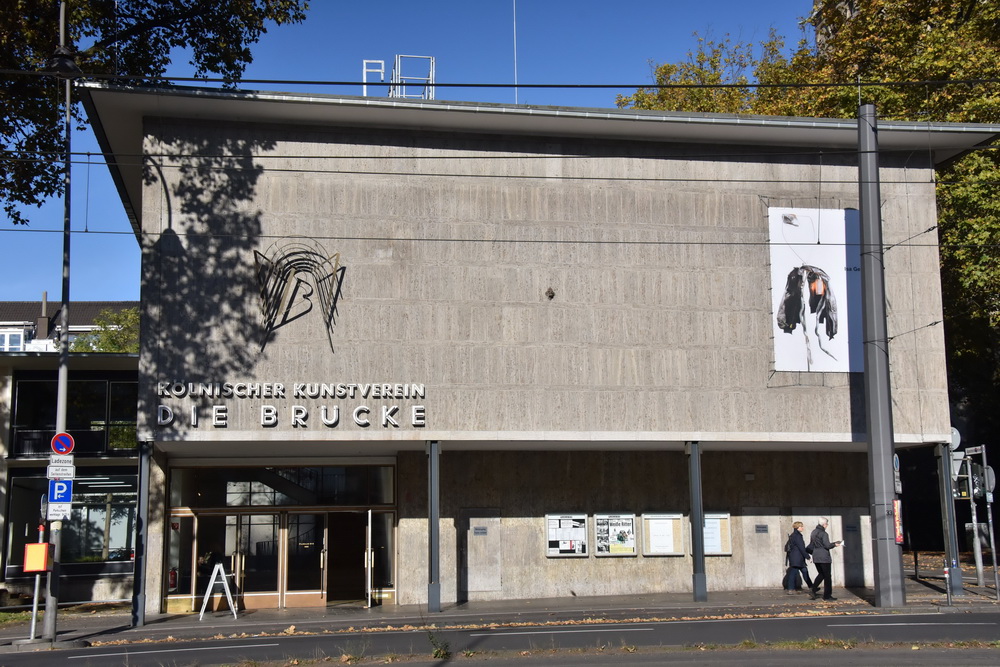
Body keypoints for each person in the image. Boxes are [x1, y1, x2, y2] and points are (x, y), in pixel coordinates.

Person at [808, 517, 842, 601]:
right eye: (826, 524)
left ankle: (813, 589)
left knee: (821, 574)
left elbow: (812, 544)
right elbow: (827, 545)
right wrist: (835, 544)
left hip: (816, 556)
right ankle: (827, 596)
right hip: (824, 557)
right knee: (827, 576)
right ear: (824, 524)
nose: (827, 525)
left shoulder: (813, 532)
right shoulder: (824, 533)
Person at [784, 521, 813, 594]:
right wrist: (808, 557)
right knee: (794, 572)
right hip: (798, 558)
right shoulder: (797, 536)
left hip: (796, 558)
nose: (803, 528)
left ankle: (812, 587)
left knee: (804, 571)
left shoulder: (793, 535)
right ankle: (791, 589)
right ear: (797, 527)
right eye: (801, 526)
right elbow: (801, 548)